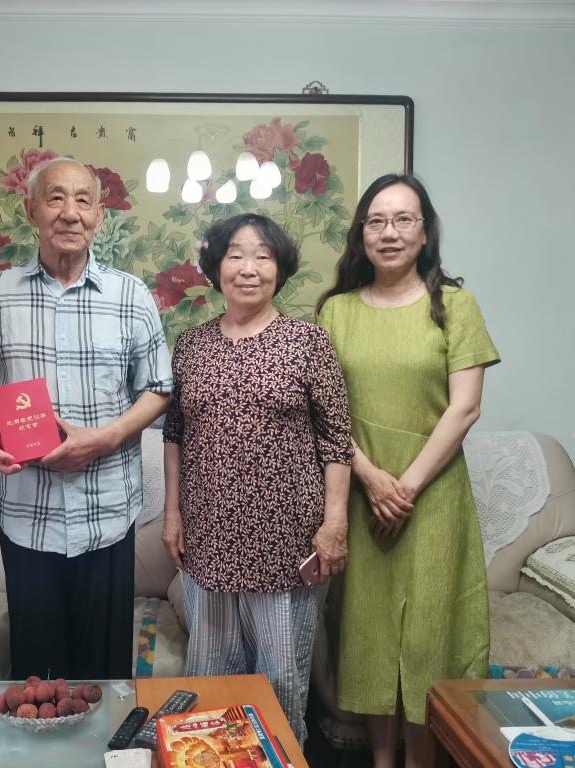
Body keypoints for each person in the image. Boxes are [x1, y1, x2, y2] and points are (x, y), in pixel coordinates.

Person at [0, 157, 173, 680]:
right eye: (55, 198)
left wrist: (104, 438)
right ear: (31, 210)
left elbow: (159, 388)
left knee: (104, 676)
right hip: (25, 509)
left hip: (107, 508)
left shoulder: (131, 296)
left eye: (83, 200)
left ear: (99, 216)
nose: (70, 213)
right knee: (37, 677)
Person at [317, 174, 499, 767]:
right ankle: (380, 761)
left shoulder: (457, 306)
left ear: (425, 232)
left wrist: (407, 487)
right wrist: (372, 479)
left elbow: (465, 407)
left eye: (403, 219)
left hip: (435, 497)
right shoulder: (336, 311)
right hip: (360, 491)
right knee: (369, 635)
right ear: (361, 235)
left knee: (429, 634)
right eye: (376, 221)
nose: (389, 232)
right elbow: (325, 411)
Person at [161, 213, 353, 746]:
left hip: (287, 543)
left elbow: (337, 439)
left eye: (263, 257)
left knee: (280, 684)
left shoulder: (307, 342)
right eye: (236, 256)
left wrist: (335, 524)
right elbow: (174, 434)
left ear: (279, 269)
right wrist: (173, 514)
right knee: (211, 681)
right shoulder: (191, 346)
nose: (248, 268)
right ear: (216, 268)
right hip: (209, 540)